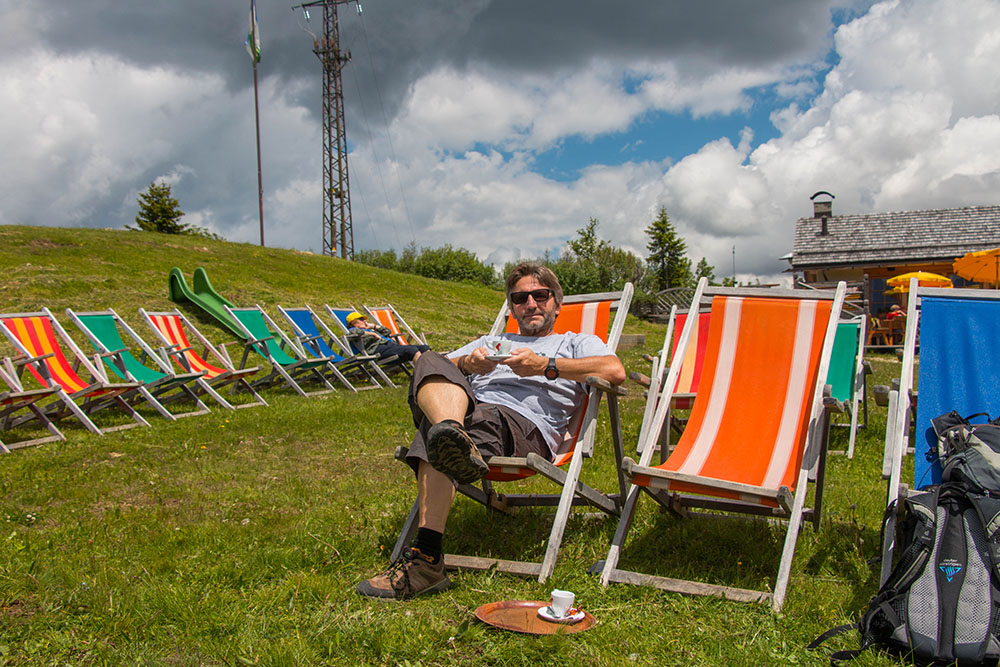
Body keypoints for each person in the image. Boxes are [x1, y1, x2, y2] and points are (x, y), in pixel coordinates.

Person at [355, 262, 626, 600]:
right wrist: (469, 364)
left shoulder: (576, 342)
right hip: (471, 411)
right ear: (512, 307)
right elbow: (435, 365)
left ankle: (426, 558)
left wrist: (545, 366)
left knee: (439, 427)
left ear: (557, 303)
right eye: (520, 298)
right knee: (426, 360)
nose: (530, 304)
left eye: (540, 296)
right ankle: (453, 435)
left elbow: (614, 371)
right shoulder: (492, 341)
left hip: (524, 426)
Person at [344, 311, 430, 364]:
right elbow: (354, 333)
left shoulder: (370, 329)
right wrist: (373, 334)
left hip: (390, 346)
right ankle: (421, 375)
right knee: (412, 351)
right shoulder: (353, 330)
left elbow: (387, 331)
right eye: (361, 320)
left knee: (424, 348)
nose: (364, 321)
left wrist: (373, 326)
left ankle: (432, 371)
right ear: (353, 323)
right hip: (378, 350)